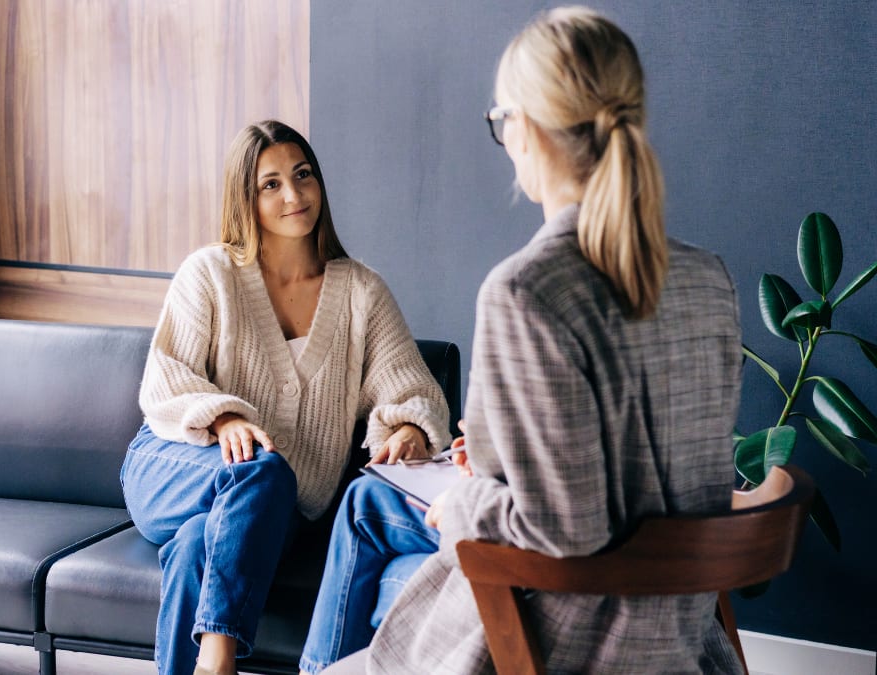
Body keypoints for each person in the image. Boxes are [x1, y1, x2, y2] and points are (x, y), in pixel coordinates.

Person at [305, 6, 745, 674]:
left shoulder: (526, 291)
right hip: (682, 644)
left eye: (502, 120)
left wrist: (465, 504)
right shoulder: (707, 280)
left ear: (528, 132)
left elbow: (566, 527)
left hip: (560, 642)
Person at [120, 119, 452, 675]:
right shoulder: (211, 273)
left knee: (204, 539)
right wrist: (224, 418)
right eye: (270, 184)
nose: (293, 195)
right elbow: (164, 380)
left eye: (303, 176)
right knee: (263, 470)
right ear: (244, 199)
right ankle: (219, 661)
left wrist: (409, 430)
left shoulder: (361, 292)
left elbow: (410, 387)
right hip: (175, 465)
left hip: (281, 505)